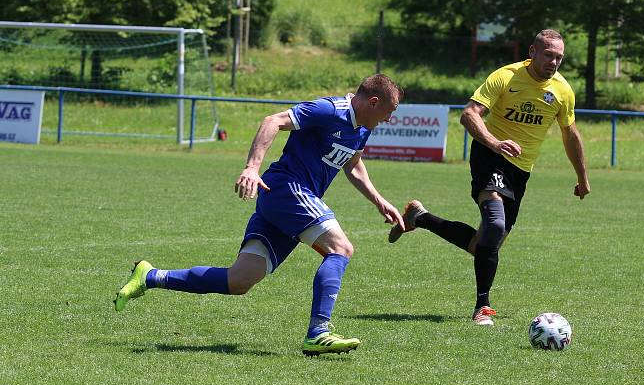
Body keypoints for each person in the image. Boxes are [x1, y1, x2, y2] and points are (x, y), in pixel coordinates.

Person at [114, 73, 406, 356]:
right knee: (341, 248)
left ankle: (150, 276)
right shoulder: (329, 110)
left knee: (240, 280)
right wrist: (251, 167)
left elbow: (352, 164)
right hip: (287, 189)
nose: (388, 119)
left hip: (287, 200)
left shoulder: (362, 128)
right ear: (373, 102)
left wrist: (379, 200)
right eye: (389, 112)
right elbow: (273, 121)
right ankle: (318, 332)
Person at [388, 29, 590, 326]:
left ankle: (421, 217)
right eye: (549, 55)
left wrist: (582, 176)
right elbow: (469, 114)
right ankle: (482, 307)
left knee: (482, 245)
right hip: (490, 156)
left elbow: (570, 134)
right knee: (495, 224)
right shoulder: (505, 77)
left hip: (520, 172)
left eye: (559, 57)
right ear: (533, 52)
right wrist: (494, 142)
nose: (554, 62)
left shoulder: (562, 91)